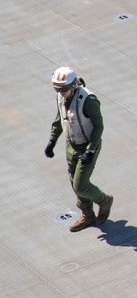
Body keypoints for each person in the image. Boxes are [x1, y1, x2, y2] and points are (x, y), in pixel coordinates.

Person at [45, 67, 113, 232]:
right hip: (71, 145)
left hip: (87, 146)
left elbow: (98, 127)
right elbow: (59, 119)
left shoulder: (88, 100)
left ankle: (104, 201)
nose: (61, 92)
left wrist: (90, 151)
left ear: (74, 85)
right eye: (57, 89)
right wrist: (52, 140)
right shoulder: (61, 98)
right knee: (73, 182)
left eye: (63, 89)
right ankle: (87, 215)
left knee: (80, 185)